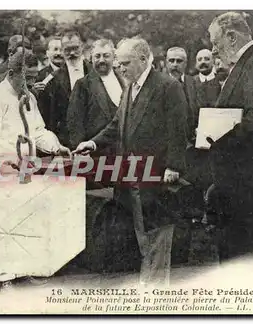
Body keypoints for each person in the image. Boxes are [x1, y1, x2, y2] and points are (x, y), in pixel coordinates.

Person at [73, 37, 188, 285]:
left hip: (156, 180)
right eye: (119, 64)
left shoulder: (168, 87)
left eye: (125, 63)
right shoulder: (130, 86)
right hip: (131, 181)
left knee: (157, 241)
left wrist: (173, 167)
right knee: (143, 241)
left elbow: (178, 130)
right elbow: (116, 125)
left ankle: (154, 301)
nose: (120, 69)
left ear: (144, 60)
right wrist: (93, 143)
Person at [0, 50, 71, 289]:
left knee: (25, 218)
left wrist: (56, 147)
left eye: (35, 78)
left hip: (24, 171)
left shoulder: (29, 99)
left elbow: (37, 131)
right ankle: (4, 277)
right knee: (2, 222)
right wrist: (17, 157)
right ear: (12, 73)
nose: (31, 84)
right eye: (27, 79)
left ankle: (25, 268)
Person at [206, 11, 253, 261]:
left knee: (240, 261)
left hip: (246, 187)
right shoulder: (247, 64)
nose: (214, 51)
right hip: (237, 185)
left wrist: (214, 140)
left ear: (231, 37)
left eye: (215, 43)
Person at [66, 39, 126, 152]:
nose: (101, 60)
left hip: (123, 151)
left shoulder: (124, 81)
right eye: (97, 56)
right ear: (91, 59)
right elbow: (75, 122)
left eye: (106, 56)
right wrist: (80, 148)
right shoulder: (83, 85)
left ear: (114, 58)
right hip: (96, 152)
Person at [38, 30, 93, 146]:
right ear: (62, 50)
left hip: (93, 138)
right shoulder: (53, 79)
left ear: (82, 47)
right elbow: (50, 116)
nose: (72, 53)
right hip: (66, 141)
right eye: (67, 50)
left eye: (75, 48)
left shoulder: (95, 72)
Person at [166, 47, 198, 143]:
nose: (175, 64)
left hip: (190, 140)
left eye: (179, 61)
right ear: (167, 63)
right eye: (171, 61)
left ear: (185, 64)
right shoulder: (158, 84)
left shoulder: (194, 83)